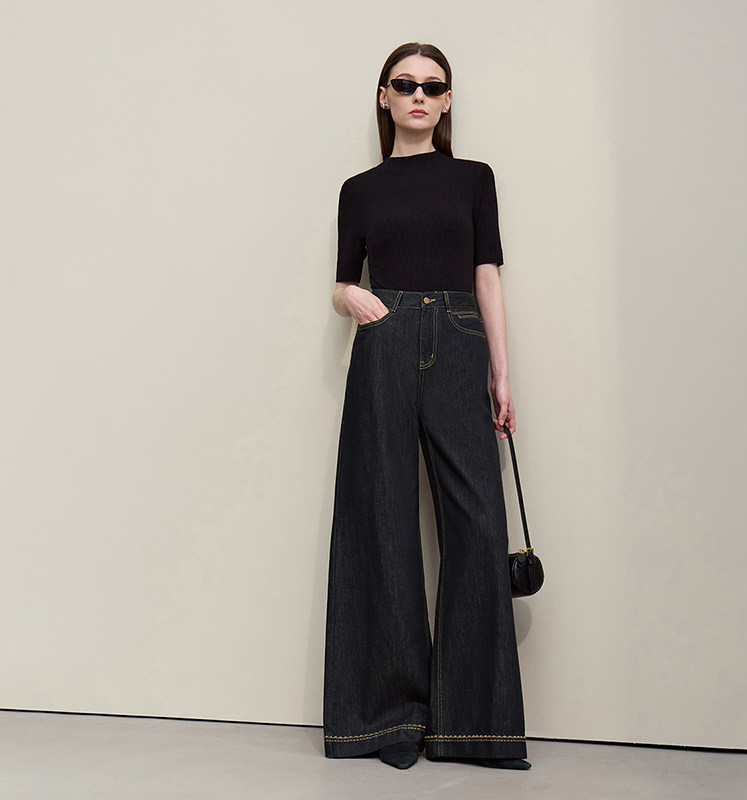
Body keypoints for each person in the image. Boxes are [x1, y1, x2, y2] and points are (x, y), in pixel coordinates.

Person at [322, 42, 530, 772]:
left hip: (460, 336)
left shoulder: (474, 179)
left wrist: (502, 373)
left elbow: (487, 275)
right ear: (384, 96)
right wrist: (351, 298)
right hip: (385, 336)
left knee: (477, 523)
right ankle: (389, 720)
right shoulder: (360, 190)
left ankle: (475, 726)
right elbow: (341, 282)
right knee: (379, 514)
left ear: (446, 102)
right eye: (404, 84)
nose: (419, 95)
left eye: (433, 86)